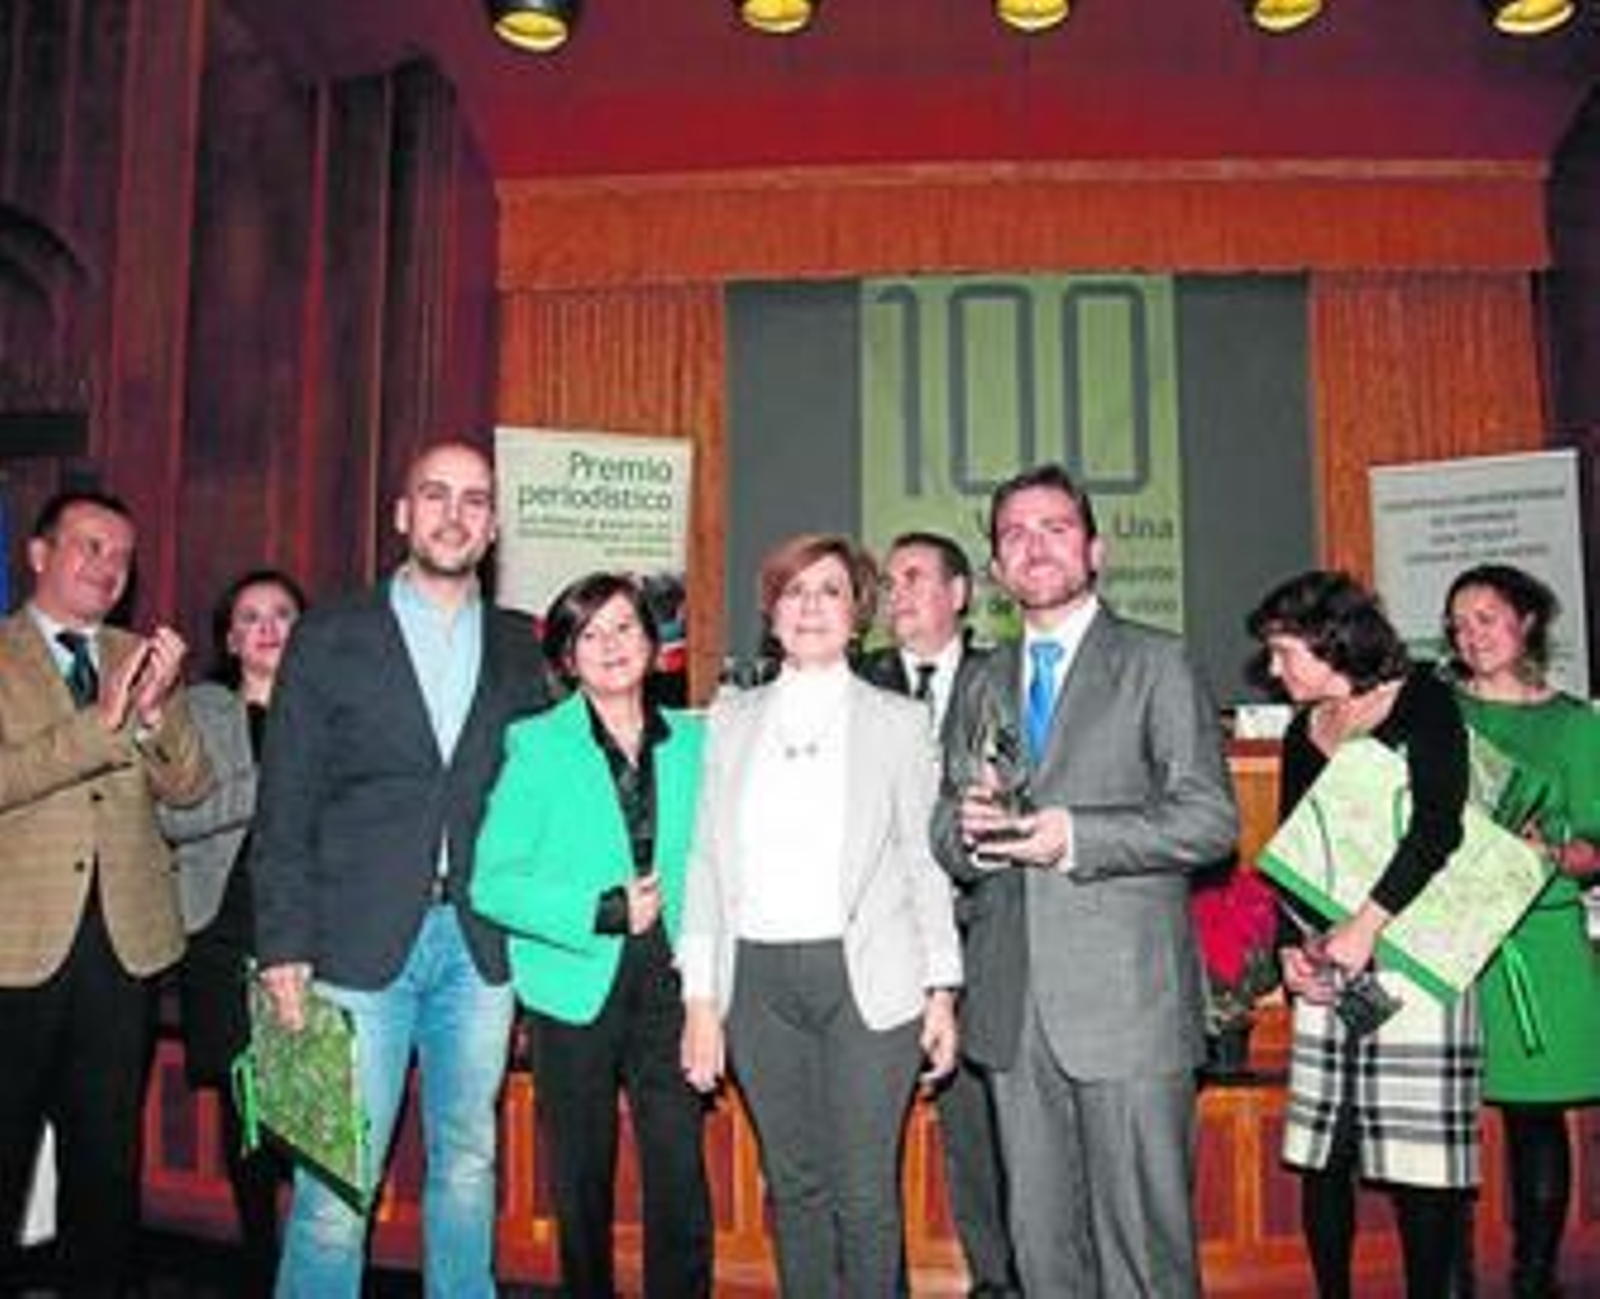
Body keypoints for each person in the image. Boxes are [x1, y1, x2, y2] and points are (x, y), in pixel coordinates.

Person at [251, 441, 550, 1298]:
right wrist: (282, 946)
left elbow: (538, 799)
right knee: (335, 1190)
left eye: (474, 500)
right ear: (402, 513)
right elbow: (286, 804)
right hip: (350, 949)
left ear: (492, 525)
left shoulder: (520, 645)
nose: (454, 513)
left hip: (480, 948)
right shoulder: (332, 634)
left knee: (467, 1165)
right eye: (435, 495)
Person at [932, 464, 1237, 1298]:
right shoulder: (981, 677)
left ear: (1095, 548)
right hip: (1012, 1005)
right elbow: (943, 829)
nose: (1036, 545)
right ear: (995, 568)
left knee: (1143, 1250)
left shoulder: (1157, 662)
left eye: (1056, 527)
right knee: (1041, 1250)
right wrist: (971, 835)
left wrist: (1076, 837)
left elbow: (1210, 820)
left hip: (1128, 1004)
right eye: (1015, 534)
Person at [679, 532, 962, 1296]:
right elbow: (704, 861)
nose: (811, 606)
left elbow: (923, 862)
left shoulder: (899, 721)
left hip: (871, 980)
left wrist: (942, 988)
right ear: (771, 613)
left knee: (866, 1193)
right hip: (758, 982)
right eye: (794, 591)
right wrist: (700, 1000)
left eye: (830, 590)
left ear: (857, 613)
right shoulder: (729, 719)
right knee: (794, 1188)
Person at [473, 573, 713, 1298]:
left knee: (679, 1172)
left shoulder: (701, 738)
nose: (611, 645)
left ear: (655, 643)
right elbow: (492, 881)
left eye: (625, 628)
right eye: (591, 633)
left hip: (675, 977)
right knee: (581, 1181)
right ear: (567, 657)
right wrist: (601, 909)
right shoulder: (537, 744)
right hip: (573, 980)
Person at [0, 489, 212, 1297]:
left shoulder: (141, 654)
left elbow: (191, 788)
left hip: (125, 950)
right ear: (39, 553)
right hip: (14, 948)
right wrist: (101, 722)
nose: (108, 567)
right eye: (90, 546)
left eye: (121, 556)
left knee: (105, 1164)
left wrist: (156, 716)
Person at [1247, 569, 1474, 1299]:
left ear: (1329, 640)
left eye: (1284, 652)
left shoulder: (1424, 701)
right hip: (1329, 963)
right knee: (1326, 1150)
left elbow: (1439, 826)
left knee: (1420, 1160)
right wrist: (1292, 947)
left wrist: (1367, 926)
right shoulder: (1301, 729)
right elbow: (1291, 847)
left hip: (1414, 959)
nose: (1273, 670)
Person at [857, 530, 1018, 1298]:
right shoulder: (856, 682)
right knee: (873, 1125)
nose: (899, 593)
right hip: (884, 940)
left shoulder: (1009, 677)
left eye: (915, 576)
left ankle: (1003, 1279)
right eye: (889, 581)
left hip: (991, 933)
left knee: (988, 1124)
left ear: (959, 594)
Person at [1444, 563, 1600, 1299]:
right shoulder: (1437, 711)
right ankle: (1447, 1277)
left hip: (1538, 943)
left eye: (1486, 617)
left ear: (1527, 621)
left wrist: (1557, 851)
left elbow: (1597, 844)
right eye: (1459, 623)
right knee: (1440, 1123)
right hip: (1448, 940)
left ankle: (1534, 1278)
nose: (1470, 635)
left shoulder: (1572, 722)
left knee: (1537, 1119)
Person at [158, 567, 306, 1294]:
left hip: (310, 932)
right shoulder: (200, 709)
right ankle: (258, 1260)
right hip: (220, 929)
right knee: (248, 1101)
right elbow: (174, 814)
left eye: (282, 612)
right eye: (251, 616)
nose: (269, 626)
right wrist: (275, 778)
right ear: (229, 637)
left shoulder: (333, 711)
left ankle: (311, 1257)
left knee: (305, 1097)